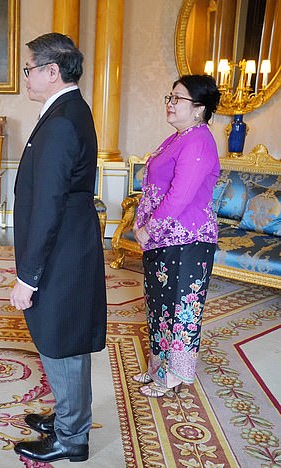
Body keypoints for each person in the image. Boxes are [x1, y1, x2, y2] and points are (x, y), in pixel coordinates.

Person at [10, 33, 107, 464]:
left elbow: (48, 203)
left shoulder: (64, 120)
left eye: (29, 69)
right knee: (61, 337)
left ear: (52, 72)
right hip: (67, 245)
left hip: (61, 253)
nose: (25, 77)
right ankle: (68, 418)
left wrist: (27, 277)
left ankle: (72, 437)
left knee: (61, 342)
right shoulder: (67, 111)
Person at [132, 74, 221, 398]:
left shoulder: (198, 141)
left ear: (199, 108)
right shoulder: (177, 137)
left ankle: (175, 376)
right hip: (164, 239)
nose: (170, 103)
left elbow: (180, 196)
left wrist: (147, 228)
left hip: (188, 241)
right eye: (169, 97)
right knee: (159, 307)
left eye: (177, 98)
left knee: (182, 310)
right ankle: (158, 368)